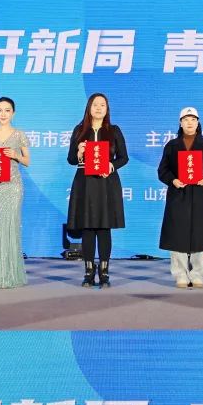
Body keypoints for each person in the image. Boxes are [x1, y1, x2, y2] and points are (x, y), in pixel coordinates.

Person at [66, 93, 128, 288]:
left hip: (106, 182)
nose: (99, 108)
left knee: (103, 227)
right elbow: (71, 160)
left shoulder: (114, 131)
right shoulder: (79, 130)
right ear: (89, 108)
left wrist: (111, 165)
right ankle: (88, 272)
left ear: (107, 109)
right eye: (95, 105)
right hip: (84, 182)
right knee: (87, 227)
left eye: (103, 105)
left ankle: (104, 272)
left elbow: (124, 157)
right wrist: (79, 151)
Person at [157, 107, 203, 289]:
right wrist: (173, 180)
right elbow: (162, 170)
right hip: (178, 194)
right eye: (186, 119)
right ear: (180, 123)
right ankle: (180, 275)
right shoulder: (172, 145)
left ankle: (198, 274)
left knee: (200, 234)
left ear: (198, 123)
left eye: (193, 119)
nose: (190, 123)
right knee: (177, 234)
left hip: (200, 194)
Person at [0, 97, 30, 288]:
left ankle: (11, 274)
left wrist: (15, 155)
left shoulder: (19, 135)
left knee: (10, 226)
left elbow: (27, 161)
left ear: (13, 113)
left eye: (7, 110)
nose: (3, 114)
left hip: (13, 187)